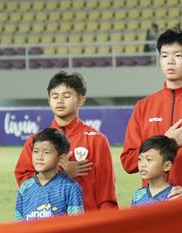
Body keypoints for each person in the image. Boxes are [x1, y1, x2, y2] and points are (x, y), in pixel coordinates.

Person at [14, 71, 117, 211]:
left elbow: (106, 193)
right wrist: (60, 172)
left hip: (86, 223)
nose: (60, 101)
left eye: (66, 96)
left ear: (81, 99)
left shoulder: (97, 140)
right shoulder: (35, 140)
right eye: (55, 96)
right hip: (46, 220)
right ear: (48, 100)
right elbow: (23, 179)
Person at [122, 28, 182, 188]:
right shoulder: (144, 106)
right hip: (151, 204)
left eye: (178, 55)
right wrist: (166, 141)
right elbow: (128, 162)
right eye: (164, 56)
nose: (170, 61)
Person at [14, 128, 84, 221]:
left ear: (61, 159)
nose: (39, 157)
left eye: (46, 152)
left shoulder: (70, 187)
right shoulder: (25, 187)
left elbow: (77, 224)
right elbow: (18, 224)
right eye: (36, 151)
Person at [131, 136, 178, 206]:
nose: (142, 165)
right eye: (140, 159)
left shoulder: (174, 195)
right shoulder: (137, 195)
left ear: (166, 166)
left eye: (149, 160)